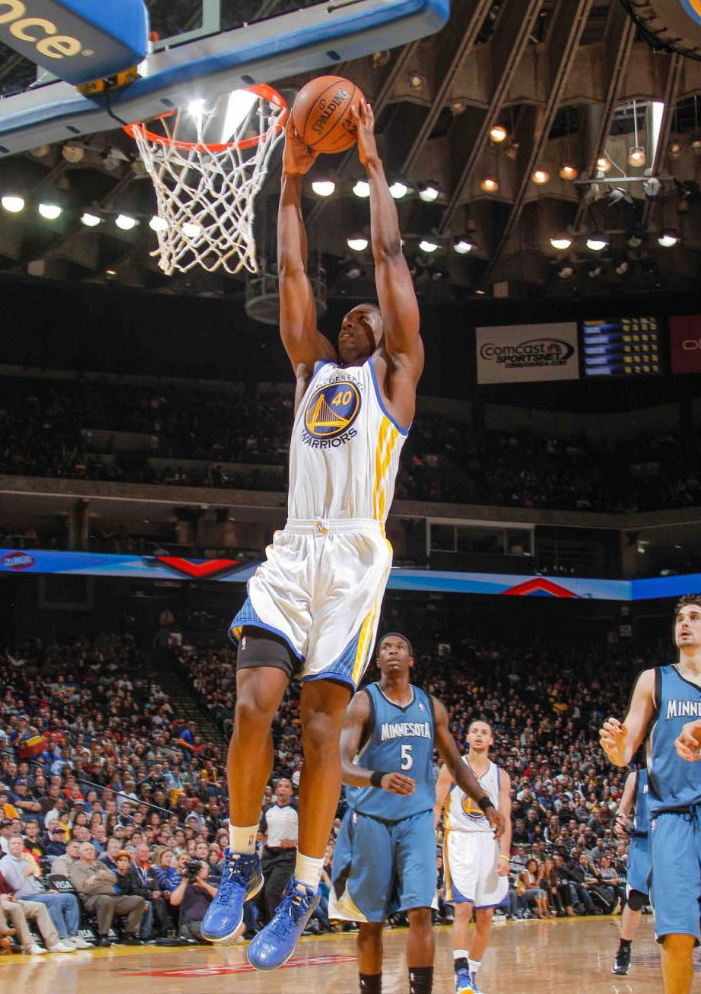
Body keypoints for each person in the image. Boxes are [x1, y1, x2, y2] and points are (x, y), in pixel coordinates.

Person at [201, 97, 424, 973]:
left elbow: (389, 254)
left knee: (322, 730)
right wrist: (290, 180)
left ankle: (304, 886)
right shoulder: (310, 371)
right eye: (355, 314)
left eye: (375, 314)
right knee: (253, 705)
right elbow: (292, 269)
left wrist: (370, 163)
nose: (362, 316)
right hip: (294, 549)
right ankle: (240, 852)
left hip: (357, 555)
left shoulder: (395, 379)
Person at [328, 634, 504, 994]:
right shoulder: (363, 702)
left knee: (422, 911)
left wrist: (486, 804)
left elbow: (456, 763)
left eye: (399, 648)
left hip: (417, 821)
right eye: (385, 649)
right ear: (377, 662)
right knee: (370, 923)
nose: (392, 652)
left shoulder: (431, 706)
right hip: (372, 821)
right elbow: (340, 765)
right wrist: (378, 778)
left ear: (412, 659)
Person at [600, 595, 701, 994]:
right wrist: (616, 748)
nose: (685, 624)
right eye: (680, 618)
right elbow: (626, 750)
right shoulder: (654, 680)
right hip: (672, 815)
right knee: (677, 932)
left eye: (695, 617)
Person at [436, 719, 512, 994]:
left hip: (489, 844)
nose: (479, 736)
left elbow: (506, 818)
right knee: (463, 908)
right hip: (459, 840)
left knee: (486, 914)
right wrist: (429, 847)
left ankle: (473, 976)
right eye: (474, 732)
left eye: (484, 732)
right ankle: (461, 976)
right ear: (466, 738)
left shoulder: (501, 775)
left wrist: (505, 854)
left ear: (491, 740)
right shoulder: (451, 769)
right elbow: (435, 807)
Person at [611, 767, 651, 975]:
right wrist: (619, 822)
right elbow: (622, 811)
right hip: (643, 842)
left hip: (674, 839)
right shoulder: (637, 777)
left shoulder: (683, 769)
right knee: (635, 898)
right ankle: (624, 950)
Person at [256, 778, 298, 923]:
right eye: (280, 786)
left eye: (287, 786)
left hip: (287, 856)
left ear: (291, 792)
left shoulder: (297, 810)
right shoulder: (268, 809)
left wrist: (293, 842)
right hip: (268, 854)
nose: (283, 789)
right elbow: (262, 832)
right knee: (258, 893)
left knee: (272, 891)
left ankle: (279, 924)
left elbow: (309, 835)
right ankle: (268, 923)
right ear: (276, 790)